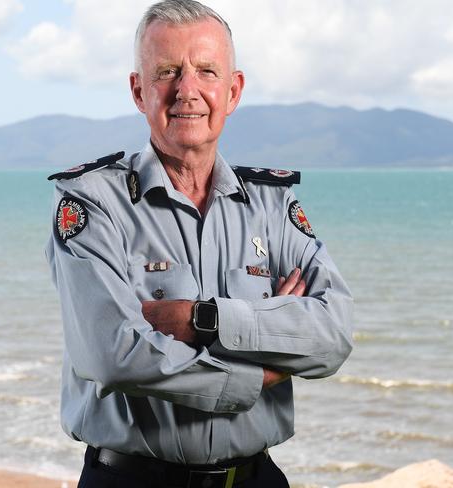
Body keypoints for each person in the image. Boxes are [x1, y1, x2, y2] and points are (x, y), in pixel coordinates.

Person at [45, 1, 354, 486]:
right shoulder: (93, 204)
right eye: (167, 71)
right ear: (138, 90)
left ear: (232, 91)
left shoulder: (272, 206)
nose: (187, 90)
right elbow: (112, 355)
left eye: (206, 71)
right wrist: (259, 372)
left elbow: (332, 334)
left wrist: (199, 319)